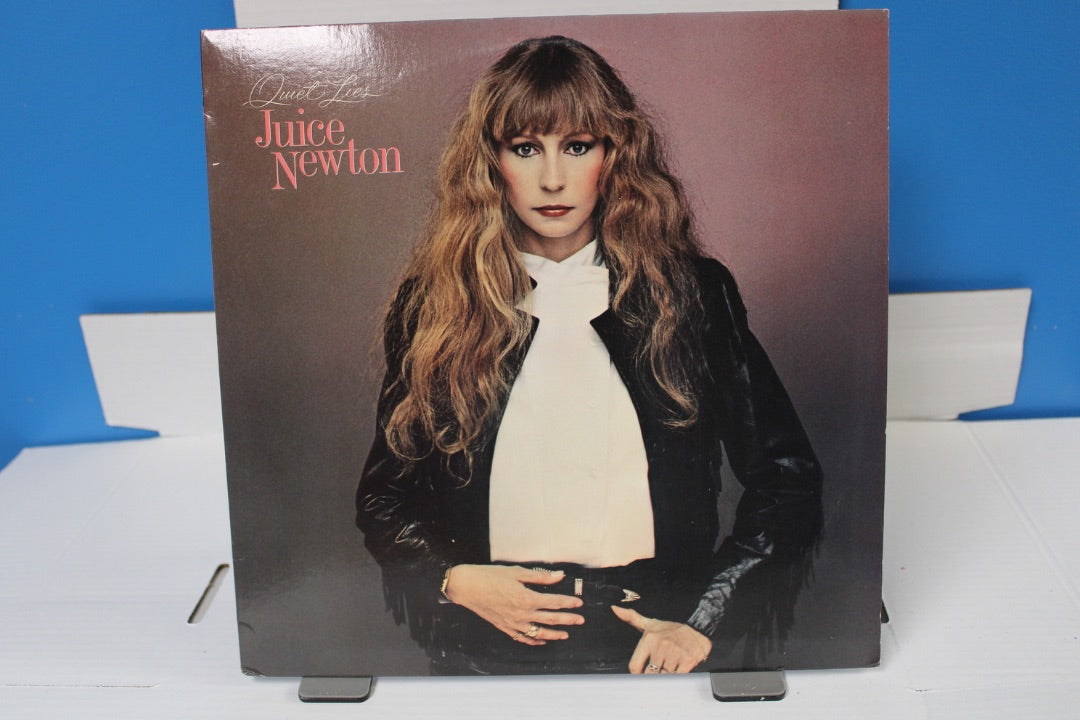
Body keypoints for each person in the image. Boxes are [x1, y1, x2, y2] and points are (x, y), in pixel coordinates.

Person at [356, 35, 822, 676]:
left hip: (651, 647)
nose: (552, 179)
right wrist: (454, 581)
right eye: (526, 148)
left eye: (577, 146)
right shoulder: (436, 304)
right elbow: (384, 502)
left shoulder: (690, 295)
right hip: (486, 653)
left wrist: (704, 619)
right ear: (491, 163)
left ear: (615, 153)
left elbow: (787, 479)